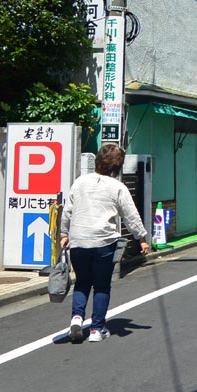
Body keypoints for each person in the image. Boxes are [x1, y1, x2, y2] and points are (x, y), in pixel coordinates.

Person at [60, 143, 149, 343]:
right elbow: (130, 215)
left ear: (98, 161)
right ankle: (96, 329)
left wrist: (64, 233)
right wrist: (141, 238)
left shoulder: (80, 182)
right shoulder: (118, 187)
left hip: (78, 241)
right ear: (117, 167)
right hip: (103, 242)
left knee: (82, 283)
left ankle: (76, 318)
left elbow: (67, 211)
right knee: (101, 286)